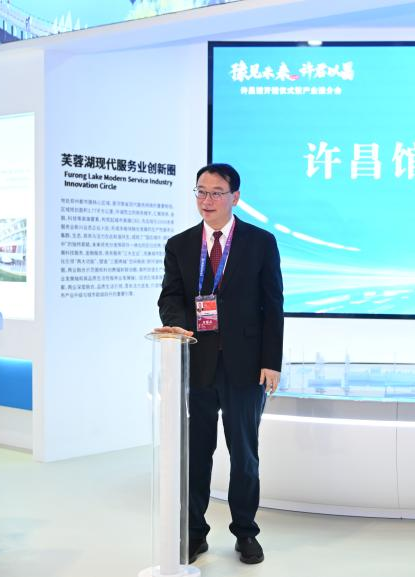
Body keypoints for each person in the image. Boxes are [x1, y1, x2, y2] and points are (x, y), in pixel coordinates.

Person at [155, 163, 283, 565]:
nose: (206, 200)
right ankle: (195, 533)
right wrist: (180, 325)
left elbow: (273, 305)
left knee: (244, 454)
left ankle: (246, 532)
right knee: (197, 453)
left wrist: (271, 361)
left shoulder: (261, 242)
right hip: (197, 363)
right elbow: (169, 298)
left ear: (235, 197)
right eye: (200, 191)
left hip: (247, 367)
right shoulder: (179, 244)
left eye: (215, 193)